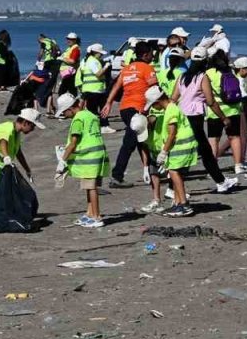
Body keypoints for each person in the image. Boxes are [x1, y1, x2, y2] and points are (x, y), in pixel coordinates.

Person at [172, 47, 235, 193]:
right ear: (205, 61)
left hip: (182, 116)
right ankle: (220, 182)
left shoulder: (182, 77)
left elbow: (173, 98)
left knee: (198, 151)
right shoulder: (202, 77)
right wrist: (224, 118)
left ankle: (221, 181)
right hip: (195, 118)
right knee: (202, 151)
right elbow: (210, 101)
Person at [101, 41, 158, 189]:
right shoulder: (147, 68)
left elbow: (116, 86)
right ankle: (117, 176)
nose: (153, 57)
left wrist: (108, 103)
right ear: (145, 55)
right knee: (130, 142)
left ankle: (150, 170)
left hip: (125, 109)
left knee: (140, 140)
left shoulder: (127, 68)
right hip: (138, 110)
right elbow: (155, 90)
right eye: (151, 54)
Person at [54, 93, 111, 229]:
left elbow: (73, 143)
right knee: (89, 187)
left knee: (91, 188)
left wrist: (62, 160)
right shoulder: (90, 115)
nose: (64, 115)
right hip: (98, 155)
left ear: (70, 109)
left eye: (64, 112)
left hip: (88, 158)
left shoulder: (78, 120)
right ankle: (89, 214)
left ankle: (96, 217)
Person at [142, 86, 196, 217]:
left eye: (153, 104)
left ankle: (184, 204)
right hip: (180, 146)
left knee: (173, 172)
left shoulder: (171, 110)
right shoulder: (171, 108)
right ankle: (178, 203)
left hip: (181, 146)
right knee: (176, 173)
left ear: (158, 101)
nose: (153, 107)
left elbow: (172, 133)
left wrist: (163, 152)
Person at [205, 49, 245, 172]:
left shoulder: (209, 73)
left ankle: (214, 167)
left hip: (215, 111)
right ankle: (238, 165)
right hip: (233, 109)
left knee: (214, 139)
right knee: (235, 137)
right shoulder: (231, 71)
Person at [77, 43, 110, 123]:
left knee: (97, 109)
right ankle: (102, 125)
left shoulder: (90, 60)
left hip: (94, 89)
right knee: (94, 110)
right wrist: (106, 66)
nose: (101, 55)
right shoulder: (92, 61)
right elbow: (98, 74)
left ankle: (103, 125)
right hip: (94, 90)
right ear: (95, 52)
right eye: (100, 53)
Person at [37, 33, 62, 113]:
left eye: (38, 40)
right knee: (50, 85)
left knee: (46, 85)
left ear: (41, 38)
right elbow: (59, 52)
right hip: (56, 63)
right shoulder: (52, 41)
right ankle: (51, 107)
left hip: (48, 63)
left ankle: (48, 107)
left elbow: (41, 53)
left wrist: (38, 61)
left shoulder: (43, 42)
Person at [57, 32, 82, 99]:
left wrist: (62, 58)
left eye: (71, 39)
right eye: (68, 39)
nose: (69, 40)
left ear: (75, 40)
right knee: (71, 91)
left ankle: (68, 103)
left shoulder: (75, 49)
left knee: (62, 92)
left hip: (71, 73)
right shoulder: (69, 48)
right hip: (67, 74)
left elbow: (72, 61)